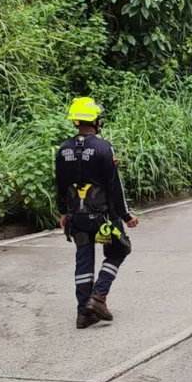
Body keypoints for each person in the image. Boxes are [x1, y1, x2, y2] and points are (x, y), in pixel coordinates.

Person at [55, 97, 140, 329]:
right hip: (104, 218)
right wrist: (125, 216)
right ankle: (99, 295)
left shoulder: (63, 150)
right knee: (120, 250)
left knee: (83, 259)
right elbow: (114, 186)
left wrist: (63, 212)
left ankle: (84, 312)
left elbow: (60, 185)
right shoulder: (103, 148)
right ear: (95, 120)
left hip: (76, 218)